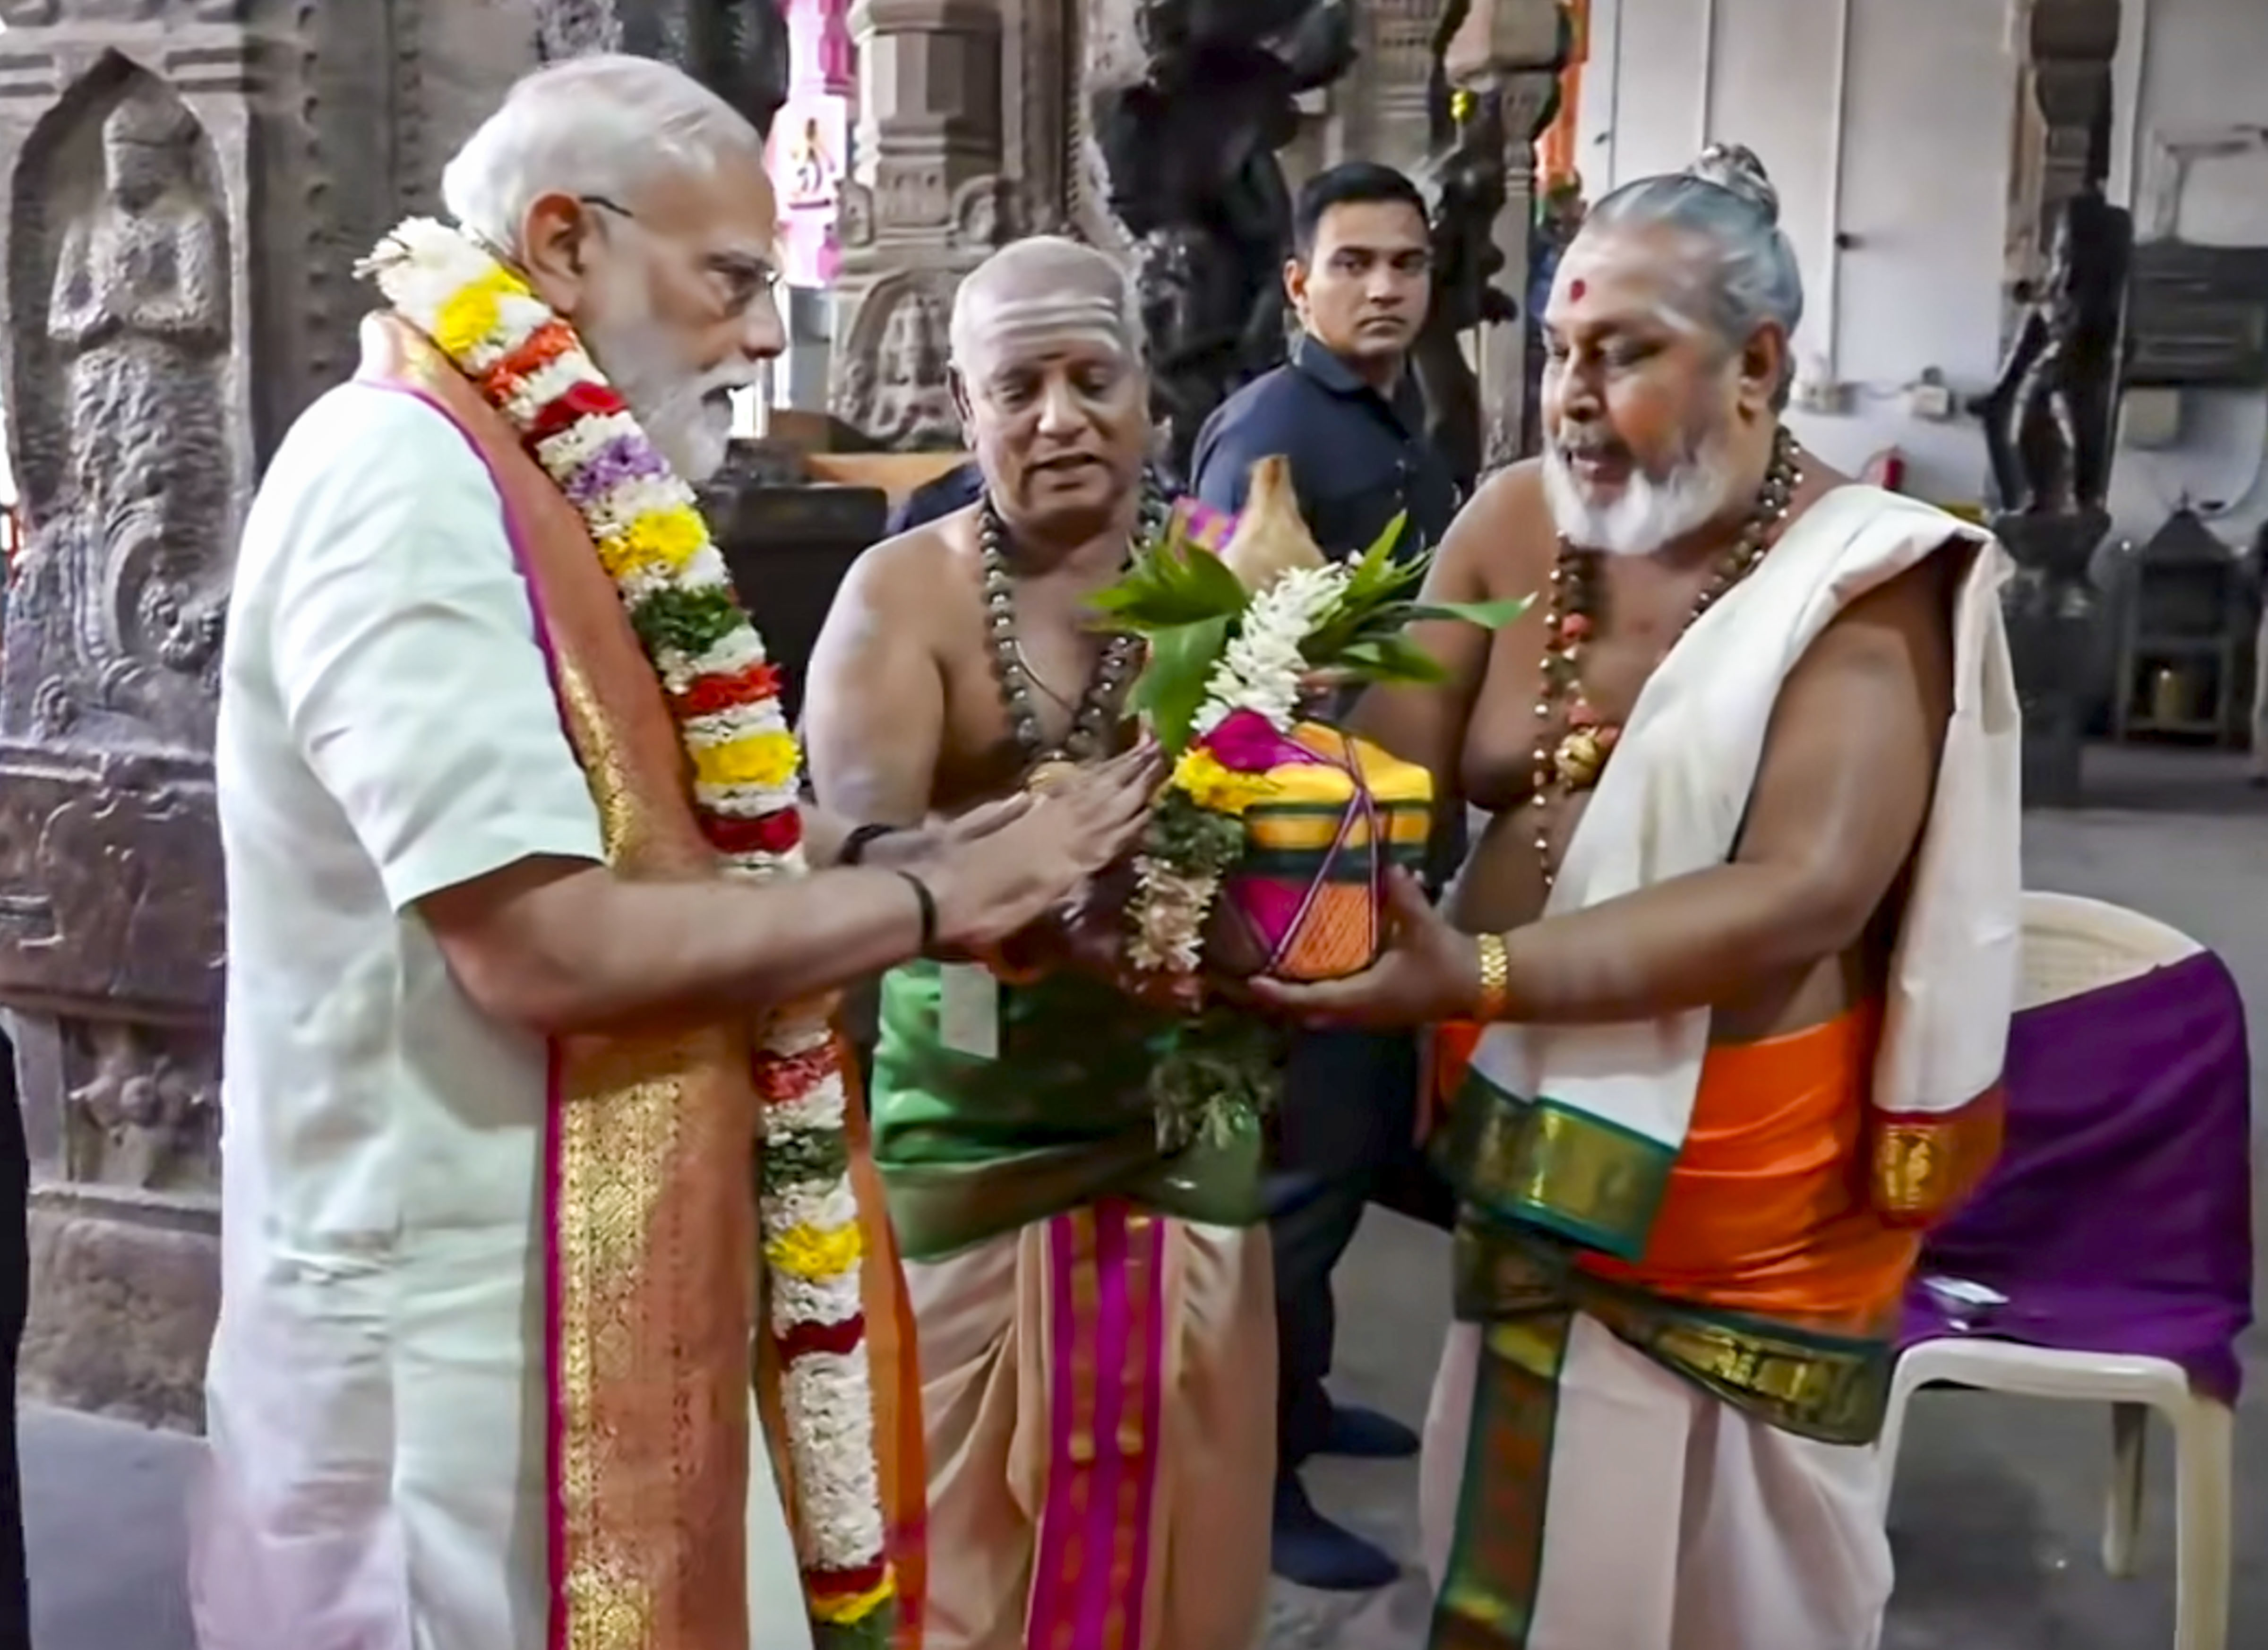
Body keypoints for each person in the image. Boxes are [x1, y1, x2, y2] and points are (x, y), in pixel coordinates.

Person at [191, 58, 1156, 1650]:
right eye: (731, 282)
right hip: (456, 1340)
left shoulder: (546, 478)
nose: (769, 334)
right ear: (565, 244)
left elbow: (654, 815)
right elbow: (542, 941)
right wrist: (924, 900)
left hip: (594, 1283)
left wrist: (894, 844)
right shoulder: (403, 482)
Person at [1258, 145, 2022, 1650]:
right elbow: (1385, 772)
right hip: (1526, 1131)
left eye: (1625, 354)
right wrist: (1235, 749)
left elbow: (1801, 889)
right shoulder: (1512, 521)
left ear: (1757, 363)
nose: (1573, 395)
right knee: (1525, 1533)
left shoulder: (1868, 577)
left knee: (1740, 1577)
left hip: (1743, 1174)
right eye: (1557, 352)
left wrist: (1470, 969)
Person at [804, 235, 1274, 1650]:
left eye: (1091, 378)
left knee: (1184, 1500)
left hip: (1182, 1104)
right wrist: (1031, 889)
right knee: (962, 1544)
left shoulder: (1236, 584)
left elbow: (1306, 824)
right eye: (1020, 388)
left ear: (1148, 398)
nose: (1058, 417)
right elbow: (863, 901)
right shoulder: (900, 599)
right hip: (976, 1117)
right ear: (966, 410)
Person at [1187, 158, 1461, 1590]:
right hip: (1299, 868)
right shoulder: (1274, 435)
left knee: (1346, 1162)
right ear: (1298, 282)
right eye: (1353, 263)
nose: (1384, 288)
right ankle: (1256, 1476)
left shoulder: (1397, 422)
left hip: (1385, 849)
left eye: (1406, 264)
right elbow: (1229, 678)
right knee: (1297, 1183)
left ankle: (1304, 1399)